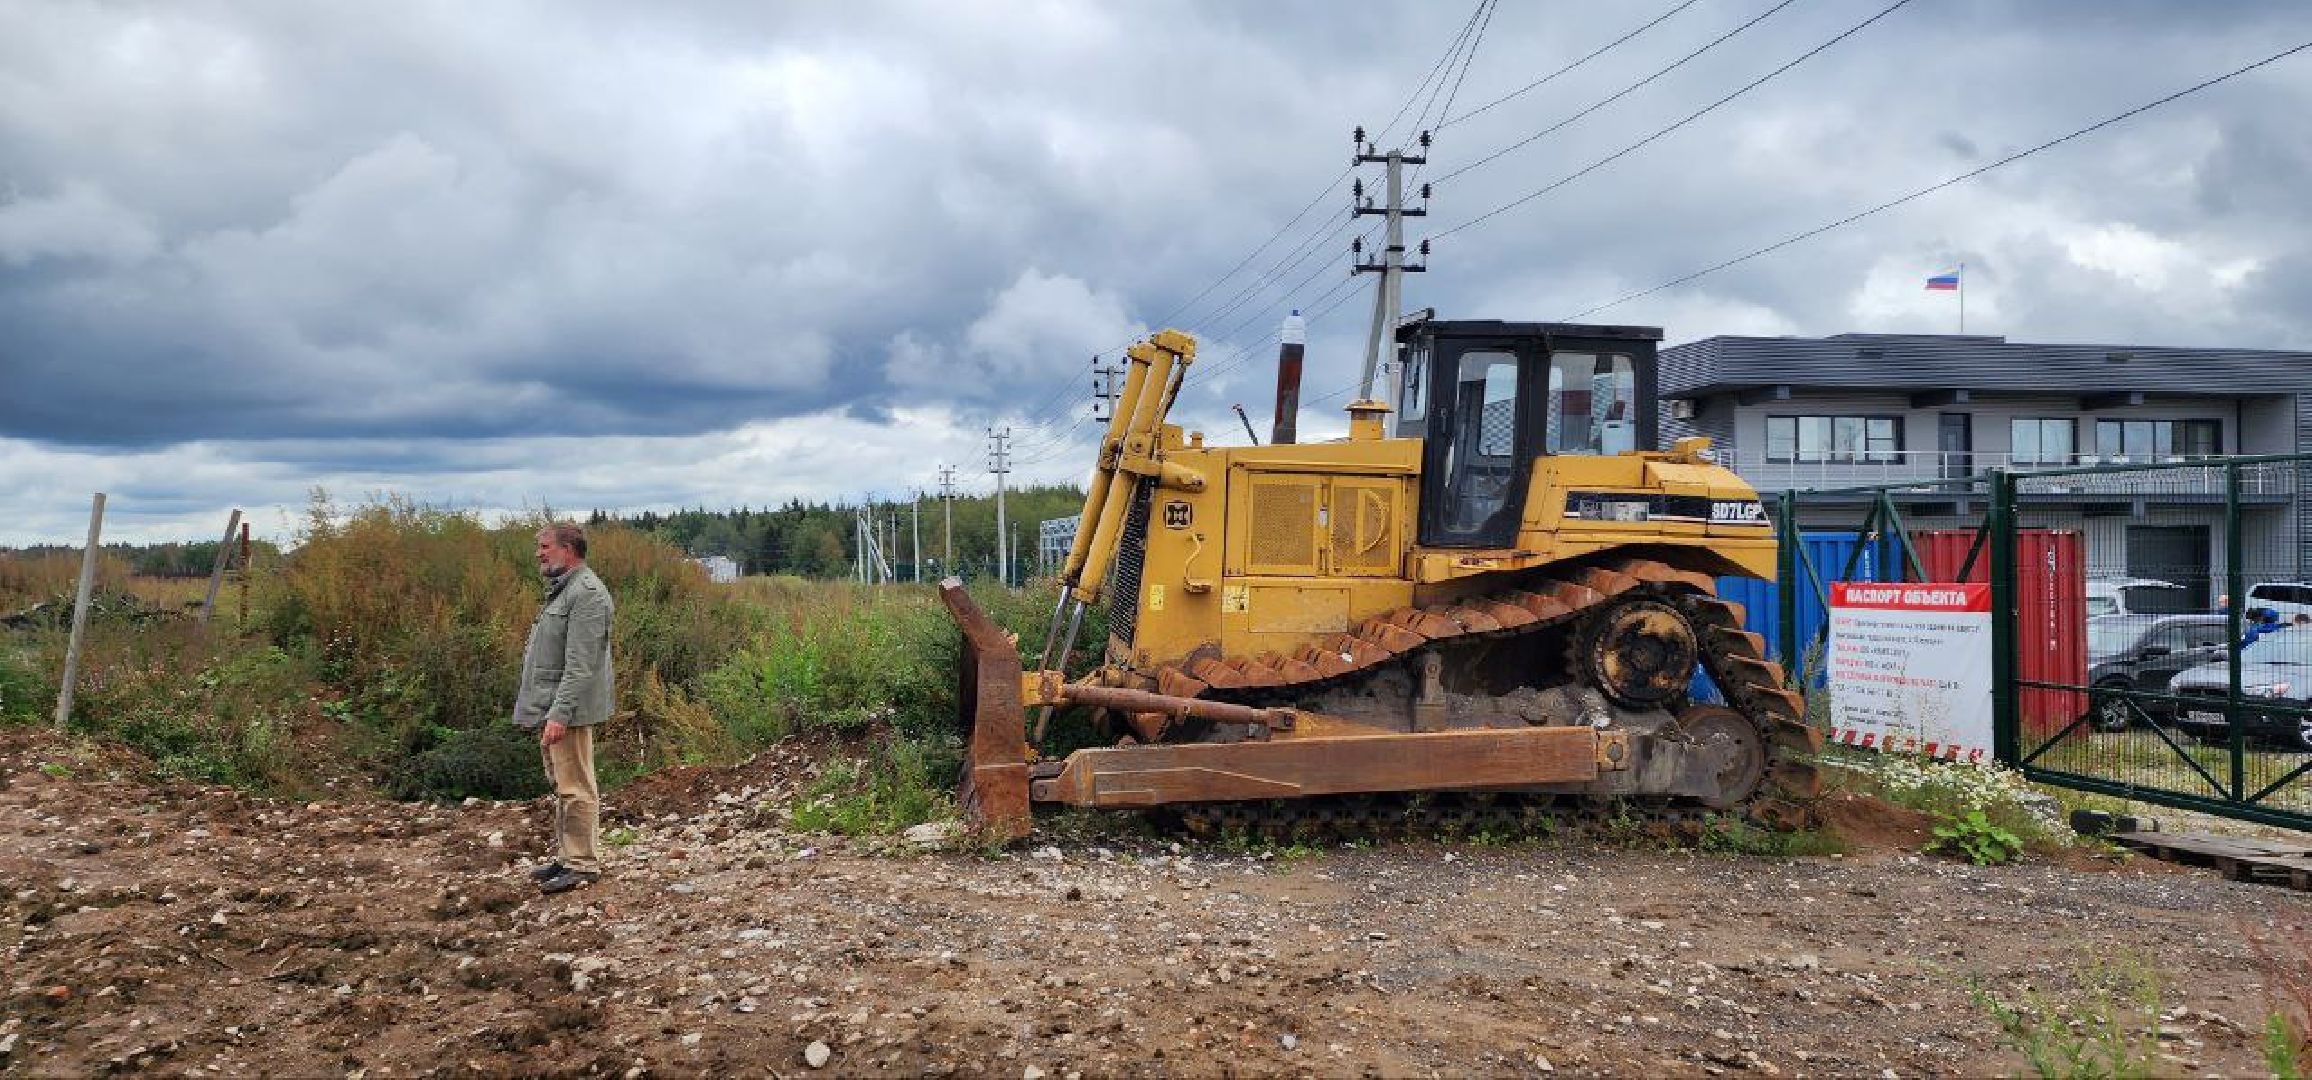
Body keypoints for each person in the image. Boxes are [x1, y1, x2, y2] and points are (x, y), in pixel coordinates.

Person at [513, 522, 615, 895]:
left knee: (576, 787)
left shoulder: (586, 594)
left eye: (544, 547)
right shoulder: (565, 591)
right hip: (556, 708)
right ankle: (567, 857)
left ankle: (582, 864)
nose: (538, 553)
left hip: (567, 711)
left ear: (568, 549)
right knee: (563, 786)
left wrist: (559, 714)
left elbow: (581, 665)